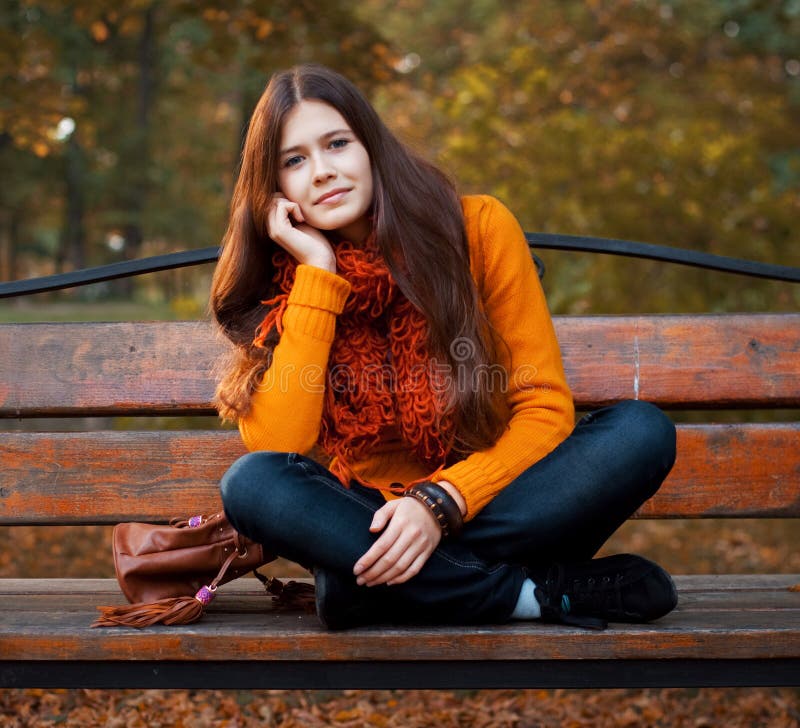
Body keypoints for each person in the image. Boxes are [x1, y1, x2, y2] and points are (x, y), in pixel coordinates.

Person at [210, 63, 678, 631]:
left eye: (337, 144)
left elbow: (544, 408)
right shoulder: (290, 278)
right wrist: (318, 273)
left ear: (371, 145)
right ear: (276, 187)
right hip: (373, 520)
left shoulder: (476, 228)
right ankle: (529, 594)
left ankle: (378, 591)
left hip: (499, 500)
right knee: (252, 483)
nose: (323, 172)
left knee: (640, 432)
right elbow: (281, 442)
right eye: (295, 160)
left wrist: (442, 502)